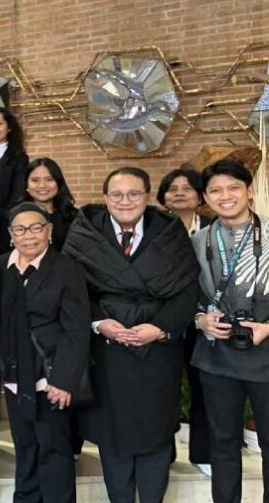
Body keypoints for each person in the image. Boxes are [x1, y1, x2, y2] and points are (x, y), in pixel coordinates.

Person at [63, 167, 199, 503]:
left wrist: (160, 328)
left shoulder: (171, 232)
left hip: (158, 351)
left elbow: (187, 291)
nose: (126, 201)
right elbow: (71, 290)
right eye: (117, 195)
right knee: (114, 434)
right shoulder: (83, 233)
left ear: (148, 196)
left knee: (155, 432)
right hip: (106, 349)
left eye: (134, 194)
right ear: (106, 198)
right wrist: (99, 323)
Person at [0, 202, 91, 503]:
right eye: (20, 229)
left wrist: (64, 380)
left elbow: (76, 330)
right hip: (14, 373)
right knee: (25, 447)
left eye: (36, 228)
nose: (29, 236)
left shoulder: (66, 269)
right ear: (11, 235)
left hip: (50, 375)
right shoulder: (0, 267)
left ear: (49, 231)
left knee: (54, 449)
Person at [191, 159, 269, 503]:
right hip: (216, 355)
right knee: (222, 442)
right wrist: (199, 320)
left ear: (248, 191)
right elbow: (185, 295)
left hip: (266, 352)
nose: (225, 196)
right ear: (205, 198)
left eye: (234, 187)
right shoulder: (198, 241)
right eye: (215, 190)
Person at [157, 166, 212, 474]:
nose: (179, 192)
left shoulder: (212, 228)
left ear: (200, 195)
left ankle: (203, 454)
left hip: (203, 320)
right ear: (163, 197)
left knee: (202, 386)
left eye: (187, 187)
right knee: (162, 387)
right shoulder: (154, 227)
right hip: (163, 320)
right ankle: (162, 453)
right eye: (172, 187)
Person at [22, 158, 78, 251]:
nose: (42, 185)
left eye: (49, 179)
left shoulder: (74, 217)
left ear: (59, 183)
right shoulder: (15, 218)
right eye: (35, 180)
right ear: (26, 185)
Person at [158, 167, 210, 236]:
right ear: (163, 199)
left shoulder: (212, 227)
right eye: (172, 189)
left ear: (200, 198)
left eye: (187, 189)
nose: (179, 193)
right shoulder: (152, 225)